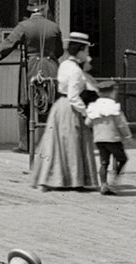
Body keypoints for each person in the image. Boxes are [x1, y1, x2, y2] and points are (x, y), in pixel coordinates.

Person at [0, 0, 61, 154]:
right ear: (44, 6)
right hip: (51, 67)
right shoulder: (54, 27)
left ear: (30, 8)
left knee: (25, 106)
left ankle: (25, 144)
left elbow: (8, 45)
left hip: (31, 67)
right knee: (47, 105)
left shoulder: (24, 26)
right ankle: (48, 145)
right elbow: (59, 50)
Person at [30, 33, 98, 191]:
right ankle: (73, 179)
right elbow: (74, 96)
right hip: (69, 108)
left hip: (59, 107)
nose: (88, 54)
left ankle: (50, 178)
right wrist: (85, 112)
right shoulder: (74, 70)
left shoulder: (65, 64)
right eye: (86, 50)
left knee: (55, 144)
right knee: (71, 144)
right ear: (80, 51)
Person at [84, 77, 133, 195]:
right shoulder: (114, 107)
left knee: (104, 162)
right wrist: (127, 136)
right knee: (122, 159)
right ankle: (114, 181)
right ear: (112, 92)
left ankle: (103, 184)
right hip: (113, 138)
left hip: (99, 139)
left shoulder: (94, 107)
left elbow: (87, 123)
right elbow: (121, 124)